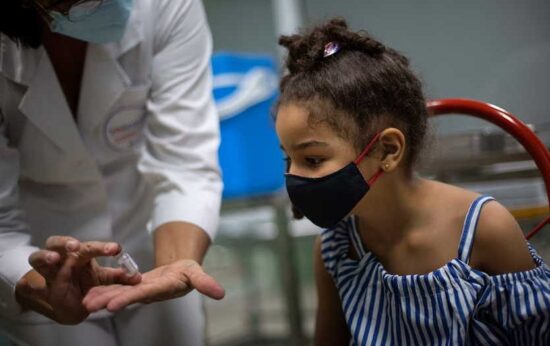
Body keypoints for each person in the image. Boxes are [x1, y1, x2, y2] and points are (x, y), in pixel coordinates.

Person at [275, 18, 550, 346]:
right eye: (287, 159)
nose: (293, 175)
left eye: (313, 160)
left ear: (387, 150)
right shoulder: (335, 250)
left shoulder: (486, 229)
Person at [0, 0, 224, 345]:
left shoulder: (164, 7)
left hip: (151, 249)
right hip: (36, 258)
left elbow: (185, 164)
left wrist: (174, 265)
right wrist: (38, 285)